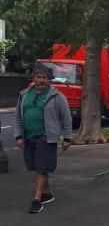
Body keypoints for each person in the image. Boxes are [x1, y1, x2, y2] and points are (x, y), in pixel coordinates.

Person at [14, 63, 73, 214]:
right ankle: (47, 194)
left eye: (44, 77)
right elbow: (18, 117)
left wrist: (67, 138)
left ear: (49, 80)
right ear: (33, 78)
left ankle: (37, 200)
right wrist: (19, 135)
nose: (41, 80)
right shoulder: (24, 95)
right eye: (38, 77)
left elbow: (66, 118)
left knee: (41, 168)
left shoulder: (57, 96)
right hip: (29, 137)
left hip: (46, 138)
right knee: (37, 166)